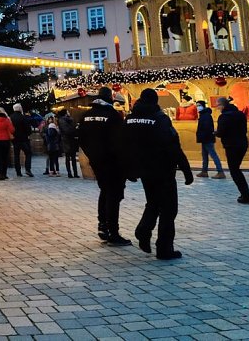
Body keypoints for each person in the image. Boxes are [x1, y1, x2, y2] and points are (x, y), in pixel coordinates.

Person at [127, 88, 194, 260]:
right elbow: (173, 145)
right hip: (163, 169)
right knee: (169, 209)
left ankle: (143, 230)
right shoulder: (160, 119)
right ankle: (164, 248)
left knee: (153, 203)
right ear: (155, 101)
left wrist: (130, 168)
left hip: (144, 170)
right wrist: (186, 169)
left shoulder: (130, 119)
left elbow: (125, 145)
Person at [79, 87, 131, 246]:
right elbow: (121, 141)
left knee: (105, 191)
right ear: (110, 98)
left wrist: (92, 155)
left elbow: (81, 139)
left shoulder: (86, 115)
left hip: (97, 162)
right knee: (114, 195)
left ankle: (103, 226)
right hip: (113, 163)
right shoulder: (113, 115)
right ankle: (113, 232)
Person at [216, 97, 249, 204]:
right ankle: (245, 194)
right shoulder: (240, 114)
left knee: (234, 170)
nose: (217, 108)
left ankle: (246, 195)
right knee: (236, 168)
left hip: (231, 145)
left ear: (222, 105)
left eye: (218, 106)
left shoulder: (223, 117)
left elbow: (221, 132)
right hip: (243, 143)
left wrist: (215, 133)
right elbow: (244, 129)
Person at [195, 101, 225, 178]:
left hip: (207, 138)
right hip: (205, 138)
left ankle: (220, 171)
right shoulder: (204, 115)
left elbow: (206, 128)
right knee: (204, 155)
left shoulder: (206, 116)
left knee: (213, 155)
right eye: (197, 105)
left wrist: (202, 136)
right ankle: (204, 171)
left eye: (199, 105)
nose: (198, 107)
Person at [10, 104, 33, 177]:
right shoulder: (23, 117)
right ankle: (28, 169)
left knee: (16, 155)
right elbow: (28, 129)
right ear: (20, 109)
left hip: (15, 139)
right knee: (28, 153)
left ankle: (18, 172)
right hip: (24, 139)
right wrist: (28, 134)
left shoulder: (11, 117)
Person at [58, 108, 79, 178]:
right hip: (67, 140)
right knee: (69, 157)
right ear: (65, 113)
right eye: (68, 112)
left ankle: (74, 173)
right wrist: (74, 129)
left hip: (69, 140)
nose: (69, 113)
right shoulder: (63, 120)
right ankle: (70, 173)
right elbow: (67, 130)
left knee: (72, 157)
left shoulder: (69, 119)